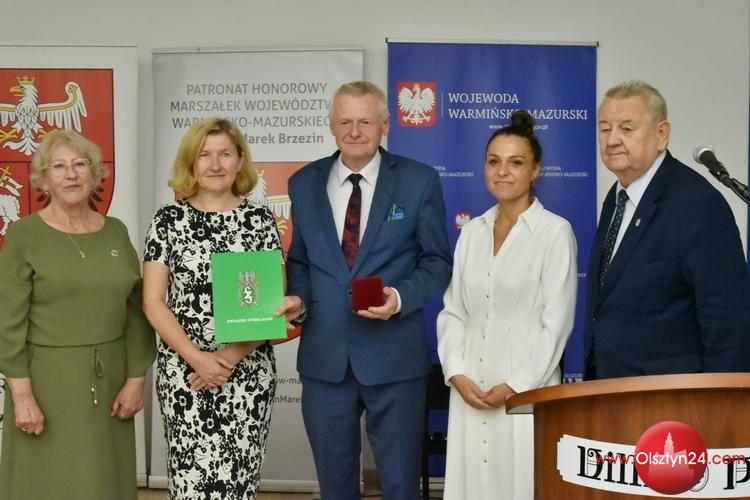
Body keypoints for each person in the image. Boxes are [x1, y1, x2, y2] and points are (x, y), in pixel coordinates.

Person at [276, 80, 452, 500]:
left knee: (401, 486)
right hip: (325, 359)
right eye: (345, 122)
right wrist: (299, 299)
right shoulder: (303, 182)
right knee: (334, 487)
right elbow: (300, 260)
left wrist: (399, 298)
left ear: (385, 125)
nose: (354, 131)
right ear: (331, 125)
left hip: (394, 359)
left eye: (366, 122)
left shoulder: (418, 181)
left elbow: (437, 262)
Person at [0, 129, 155, 500]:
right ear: (44, 179)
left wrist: (136, 380)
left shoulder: (115, 232)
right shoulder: (24, 235)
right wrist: (22, 396)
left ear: (94, 173)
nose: (71, 174)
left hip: (111, 380)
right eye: (59, 167)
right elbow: (8, 320)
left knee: (103, 480)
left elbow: (136, 310)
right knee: (47, 481)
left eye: (79, 164)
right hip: (46, 381)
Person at [436, 110, 577, 500]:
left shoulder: (554, 232)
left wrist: (516, 386)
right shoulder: (472, 232)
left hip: (525, 391)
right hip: (469, 389)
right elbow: (454, 311)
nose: (502, 172)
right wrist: (456, 372)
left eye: (515, 163)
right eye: (493, 161)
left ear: (535, 170)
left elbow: (557, 324)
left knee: (522, 484)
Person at [142, 117, 281, 499]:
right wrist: (198, 360)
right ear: (191, 161)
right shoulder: (168, 220)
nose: (215, 164)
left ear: (240, 161)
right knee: (189, 485)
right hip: (184, 374)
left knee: (239, 484)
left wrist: (226, 359)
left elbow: (271, 305)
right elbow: (152, 302)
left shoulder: (259, 220)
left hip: (246, 372)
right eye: (205, 155)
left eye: (225, 154)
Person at [585, 80, 750, 380]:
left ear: (661, 135)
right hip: (610, 391)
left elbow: (728, 324)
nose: (612, 140)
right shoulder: (617, 197)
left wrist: (719, 401)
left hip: (673, 399)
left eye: (626, 128)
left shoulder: (698, 204)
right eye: (605, 129)